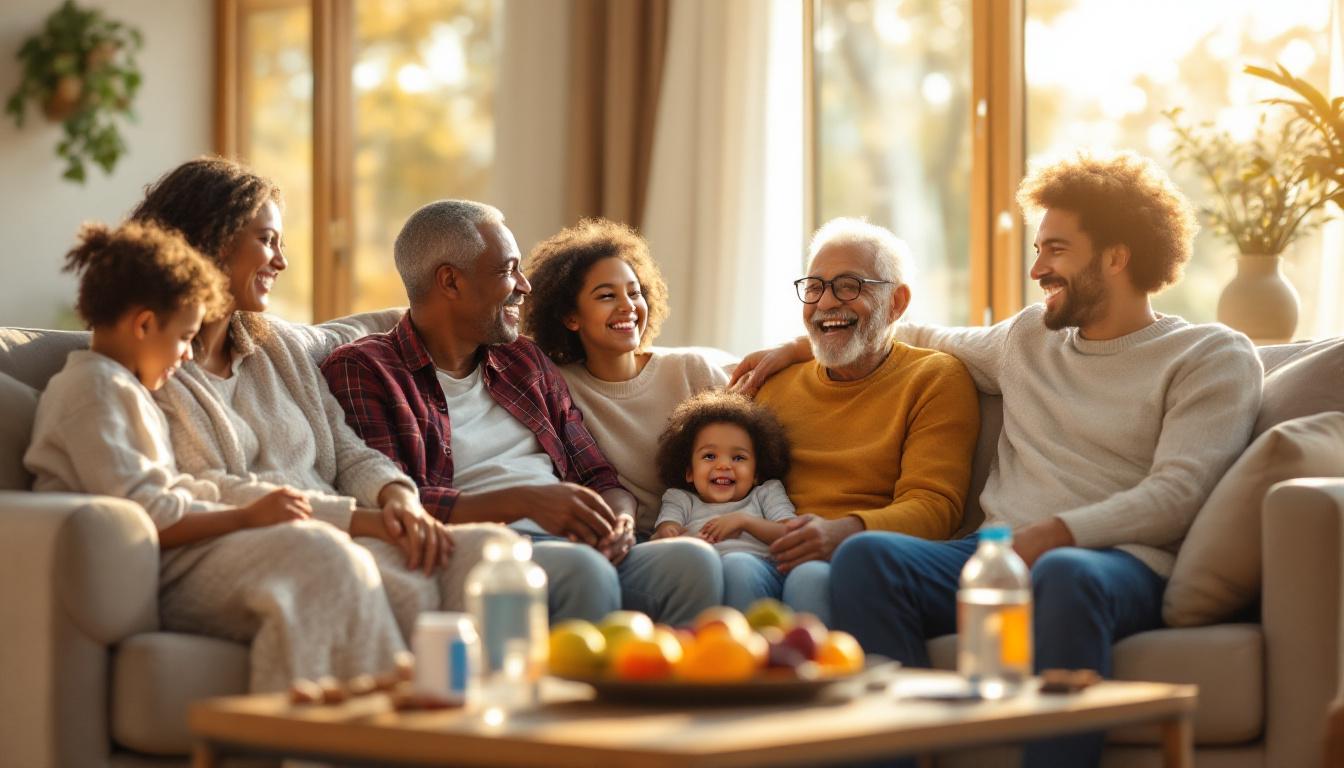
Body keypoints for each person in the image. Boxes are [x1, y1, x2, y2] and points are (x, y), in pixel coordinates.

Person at [738, 151, 1264, 767]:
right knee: (868, 557)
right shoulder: (1027, 338)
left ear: (1117, 256)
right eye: (1037, 250)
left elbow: (1179, 493)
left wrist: (1056, 534)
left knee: (1065, 572)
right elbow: (904, 328)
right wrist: (803, 343)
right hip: (996, 554)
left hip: (1116, 566)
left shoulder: (1210, 355)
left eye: (1056, 250)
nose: (1037, 268)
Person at [129, 158, 518, 686]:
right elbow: (196, 490)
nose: (281, 262)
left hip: (325, 535)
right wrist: (352, 522)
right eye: (267, 241)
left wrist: (395, 498)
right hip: (217, 550)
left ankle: (481, 738)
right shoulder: (149, 356)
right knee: (327, 558)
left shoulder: (280, 348)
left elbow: (346, 447)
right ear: (213, 239)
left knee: (482, 553)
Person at [24, 218, 408, 693]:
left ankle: (368, 705)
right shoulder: (93, 390)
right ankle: (325, 728)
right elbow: (153, 513)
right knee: (321, 556)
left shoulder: (123, 388)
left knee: (335, 555)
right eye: (185, 337)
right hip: (154, 569)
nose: (188, 356)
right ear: (144, 324)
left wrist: (258, 513)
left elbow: (169, 492)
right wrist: (248, 516)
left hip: (180, 552)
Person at [321, 201, 721, 625]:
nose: (524, 286)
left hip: (574, 542)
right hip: (485, 550)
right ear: (450, 281)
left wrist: (618, 520)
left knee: (690, 562)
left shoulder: (521, 359)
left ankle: (670, 691)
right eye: (508, 270)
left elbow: (596, 475)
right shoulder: (365, 369)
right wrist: (527, 501)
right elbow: (396, 500)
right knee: (582, 572)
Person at [745, 218, 981, 626]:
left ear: (897, 302)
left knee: (810, 579)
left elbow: (934, 508)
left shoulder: (935, 378)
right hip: (764, 548)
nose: (825, 303)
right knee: (734, 573)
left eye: (849, 285)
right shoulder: (773, 384)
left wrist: (844, 532)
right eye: (815, 287)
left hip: (859, 558)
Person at [521, 218, 734, 537]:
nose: (628, 307)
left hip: (711, 532)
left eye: (634, 293)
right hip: (627, 541)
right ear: (570, 317)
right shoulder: (558, 386)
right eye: (607, 296)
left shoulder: (690, 370)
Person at [651, 390, 802, 614]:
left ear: (756, 473)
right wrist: (672, 536)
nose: (723, 465)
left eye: (738, 458)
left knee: (737, 565)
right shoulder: (680, 499)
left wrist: (744, 521)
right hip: (702, 581)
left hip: (761, 572)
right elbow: (665, 533)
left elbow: (792, 534)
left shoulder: (766, 493)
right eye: (709, 456)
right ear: (689, 471)